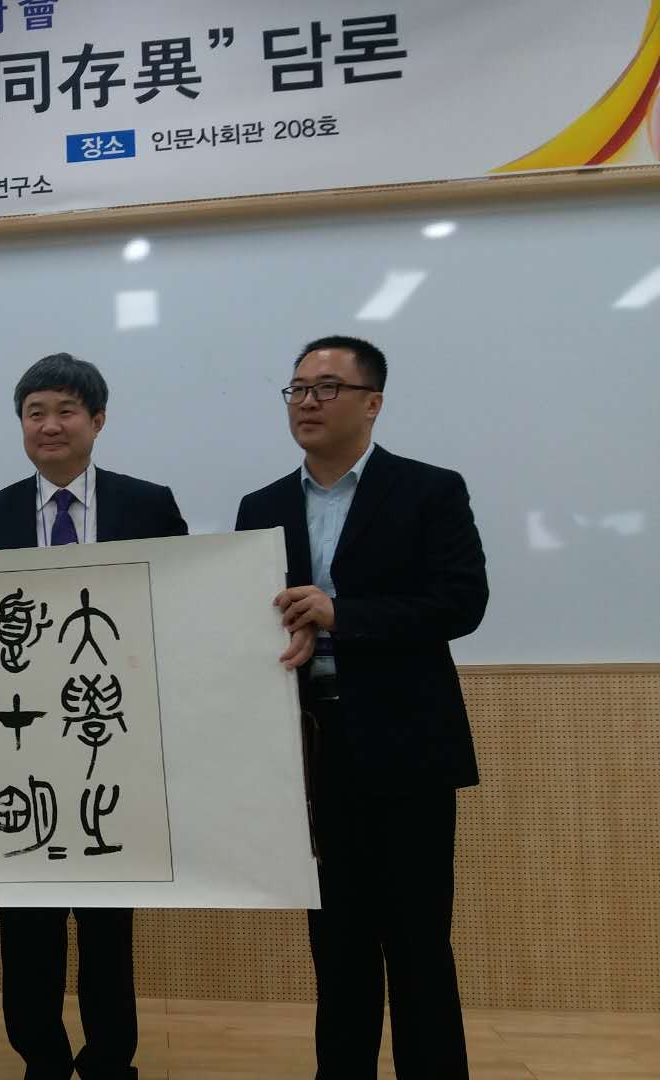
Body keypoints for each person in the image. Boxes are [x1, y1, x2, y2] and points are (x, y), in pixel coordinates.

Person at [235, 335, 487, 1079]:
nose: (307, 402)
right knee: (336, 942)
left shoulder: (429, 490)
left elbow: (460, 603)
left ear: (372, 403)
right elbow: (247, 617)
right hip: (310, 748)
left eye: (326, 388)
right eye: (297, 389)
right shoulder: (262, 506)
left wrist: (343, 616)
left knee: (416, 942)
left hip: (406, 744)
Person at [0, 352, 188, 1080]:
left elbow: (182, 609)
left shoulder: (148, 505)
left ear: (98, 420)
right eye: (35, 413)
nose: (50, 425)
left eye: (65, 411)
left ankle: (111, 1060)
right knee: (26, 918)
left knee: (107, 921)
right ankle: (41, 1057)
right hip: (21, 745)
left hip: (114, 742)